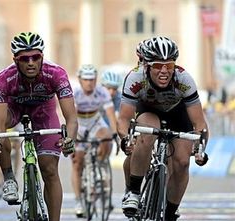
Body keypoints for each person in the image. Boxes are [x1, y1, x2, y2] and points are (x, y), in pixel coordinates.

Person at [0, 32, 78, 221]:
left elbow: (71, 118)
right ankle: (9, 178)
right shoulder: (3, 79)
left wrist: (70, 138)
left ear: (42, 56)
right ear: (15, 60)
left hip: (43, 112)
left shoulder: (56, 73)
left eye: (35, 57)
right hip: (14, 109)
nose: (30, 62)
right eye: (24, 58)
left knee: (49, 169)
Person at [117, 36, 209, 221]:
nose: (165, 71)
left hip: (178, 113)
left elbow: (200, 124)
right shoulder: (135, 77)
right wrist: (127, 138)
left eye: (170, 65)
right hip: (149, 111)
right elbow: (124, 119)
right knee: (147, 132)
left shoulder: (184, 79)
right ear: (147, 66)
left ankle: (169, 213)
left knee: (182, 162)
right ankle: (134, 192)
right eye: (158, 65)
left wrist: (200, 149)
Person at [72, 64, 117, 217]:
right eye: (86, 79)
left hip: (95, 121)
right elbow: (68, 116)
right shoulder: (75, 93)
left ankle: (100, 165)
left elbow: (110, 115)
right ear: (80, 79)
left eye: (92, 79)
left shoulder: (102, 92)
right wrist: (71, 137)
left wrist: (115, 134)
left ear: (96, 79)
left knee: (106, 137)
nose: (89, 82)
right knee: (77, 162)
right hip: (79, 124)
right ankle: (79, 200)